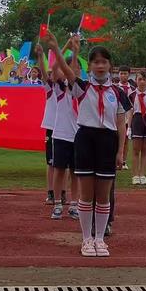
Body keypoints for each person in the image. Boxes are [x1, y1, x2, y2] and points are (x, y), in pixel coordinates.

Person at [44, 31, 130, 257]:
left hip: (107, 140)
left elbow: (121, 124)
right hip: (85, 139)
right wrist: (55, 49)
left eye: (104, 62)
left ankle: (100, 239)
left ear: (110, 65)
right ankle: (86, 239)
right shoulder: (82, 87)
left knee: (103, 194)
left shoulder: (118, 93)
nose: (100, 66)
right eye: (95, 62)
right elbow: (67, 71)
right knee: (86, 194)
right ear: (90, 65)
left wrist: (120, 152)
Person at [48, 39, 81, 221]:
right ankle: (58, 204)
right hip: (61, 134)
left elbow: (75, 71)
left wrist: (76, 53)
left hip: (78, 135)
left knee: (76, 172)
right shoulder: (59, 89)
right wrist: (67, 45)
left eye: (75, 69)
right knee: (59, 169)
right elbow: (54, 67)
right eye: (66, 68)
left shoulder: (80, 90)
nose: (71, 71)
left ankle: (74, 204)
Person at [36, 46, 58, 205]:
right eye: (50, 74)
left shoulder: (70, 88)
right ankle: (51, 192)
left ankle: (62, 192)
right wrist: (40, 56)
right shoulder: (50, 89)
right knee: (50, 162)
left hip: (66, 128)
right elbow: (44, 72)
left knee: (65, 164)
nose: (52, 75)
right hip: (51, 127)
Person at [118, 66, 134, 170]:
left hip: (128, 117)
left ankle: (124, 161)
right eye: (121, 73)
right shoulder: (114, 87)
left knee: (126, 140)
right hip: (117, 117)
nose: (123, 75)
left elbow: (133, 105)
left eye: (125, 73)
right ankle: (116, 159)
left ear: (129, 74)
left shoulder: (132, 89)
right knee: (116, 140)